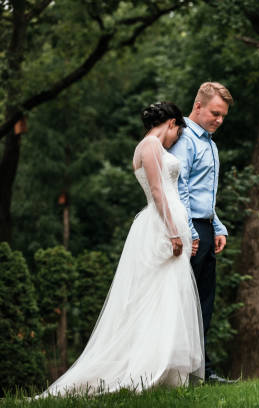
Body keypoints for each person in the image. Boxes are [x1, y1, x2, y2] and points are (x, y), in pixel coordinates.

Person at [37, 102, 205, 397]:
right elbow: (156, 190)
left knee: (169, 295)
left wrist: (182, 229)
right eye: (178, 131)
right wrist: (172, 233)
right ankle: (147, 368)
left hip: (169, 222)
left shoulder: (151, 146)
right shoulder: (151, 145)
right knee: (157, 296)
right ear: (171, 122)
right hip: (162, 226)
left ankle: (166, 371)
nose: (177, 138)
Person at [169, 82, 234, 383]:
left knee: (204, 304)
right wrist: (190, 231)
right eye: (215, 113)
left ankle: (202, 371)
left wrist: (216, 226)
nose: (219, 121)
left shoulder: (209, 142)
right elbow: (179, 188)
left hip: (206, 229)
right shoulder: (186, 140)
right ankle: (183, 371)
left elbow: (204, 193)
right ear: (198, 106)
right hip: (190, 231)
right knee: (186, 302)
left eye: (223, 116)